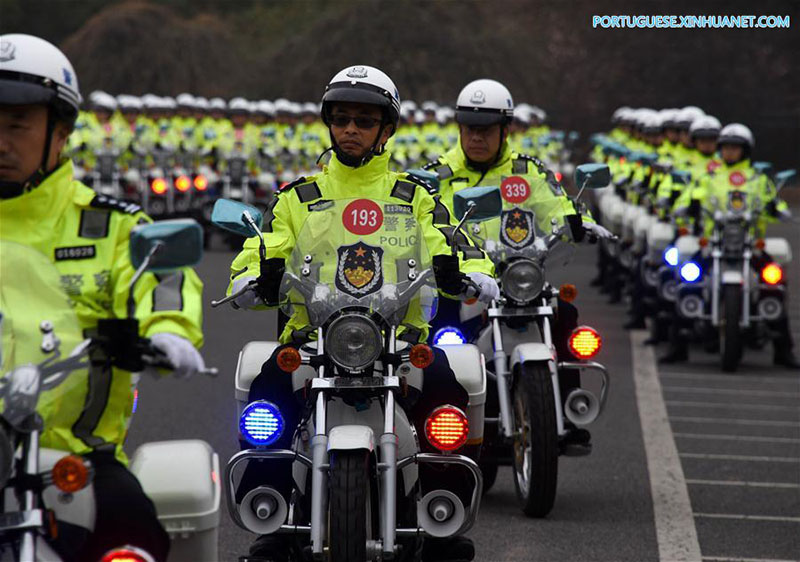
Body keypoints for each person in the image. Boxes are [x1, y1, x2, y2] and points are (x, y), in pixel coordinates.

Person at [227, 65, 498, 562]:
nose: (351, 129)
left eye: (364, 121)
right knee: (267, 397)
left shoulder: (414, 197)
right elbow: (262, 248)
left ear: (386, 129)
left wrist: (473, 273)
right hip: (314, 343)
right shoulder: (297, 198)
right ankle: (272, 516)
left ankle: (444, 514)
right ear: (329, 124)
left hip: (400, 343)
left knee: (446, 396)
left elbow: (455, 244)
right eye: (342, 118)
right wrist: (251, 277)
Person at [0, 34, 206, 560]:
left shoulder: (110, 226)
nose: (0, 141)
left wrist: (168, 332)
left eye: (17, 124)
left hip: (75, 457)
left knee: (134, 535)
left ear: (61, 131)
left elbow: (164, 279)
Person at [423, 78, 612, 451]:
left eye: (486, 129)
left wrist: (579, 221)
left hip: (519, 278)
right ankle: (438, 421)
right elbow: (422, 220)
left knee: (565, 313)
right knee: (436, 329)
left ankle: (567, 413)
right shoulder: (437, 176)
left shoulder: (527, 172)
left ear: (505, 129)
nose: (477, 137)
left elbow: (557, 204)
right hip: (465, 284)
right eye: (470, 128)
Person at [661, 123, 799, 368]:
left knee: (774, 283)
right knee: (687, 280)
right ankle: (677, 347)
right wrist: (685, 206)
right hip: (714, 242)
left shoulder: (757, 179)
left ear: (745, 150)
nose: (730, 151)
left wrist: (777, 209)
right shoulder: (709, 177)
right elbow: (688, 197)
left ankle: (784, 350)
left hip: (750, 244)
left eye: (735, 147)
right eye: (726, 147)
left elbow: (773, 200)